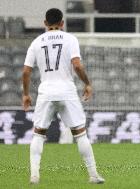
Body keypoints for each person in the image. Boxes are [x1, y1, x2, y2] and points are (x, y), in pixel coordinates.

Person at [22, 8, 105, 184]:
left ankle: (35, 175)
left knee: (38, 135)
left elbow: (26, 72)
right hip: (67, 91)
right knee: (80, 134)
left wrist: (25, 94)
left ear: (45, 23)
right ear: (62, 23)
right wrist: (87, 84)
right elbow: (77, 65)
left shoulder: (36, 42)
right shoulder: (70, 39)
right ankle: (93, 175)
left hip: (46, 91)